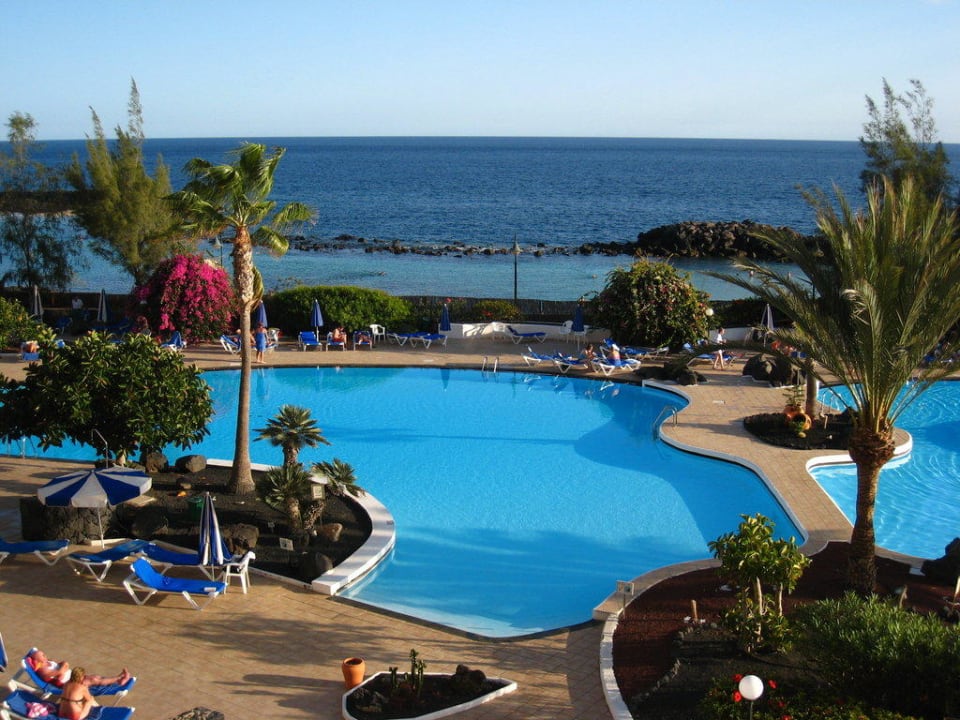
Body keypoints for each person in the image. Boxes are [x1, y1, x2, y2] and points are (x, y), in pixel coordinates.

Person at [28, 649, 130, 689]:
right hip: (69, 684)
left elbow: (63, 664)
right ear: (37, 660)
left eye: (44, 654)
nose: (45, 656)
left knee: (95, 676)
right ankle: (119, 680)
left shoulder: (48, 662)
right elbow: (60, 671)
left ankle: (118, 679)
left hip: (72, 676)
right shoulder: (43, 670)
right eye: (42, 655)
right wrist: (64, 667)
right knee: (93, 680)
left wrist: (64, 666)